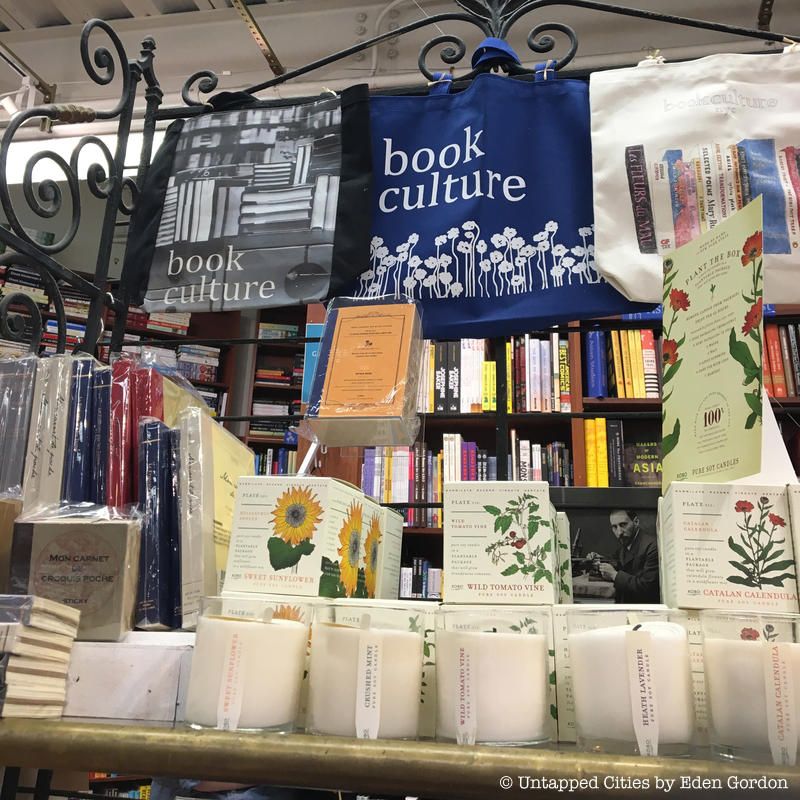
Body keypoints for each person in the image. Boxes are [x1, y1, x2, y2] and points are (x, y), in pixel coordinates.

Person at [594, 509, 660, 603]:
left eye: (623, 525)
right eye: (614, 527)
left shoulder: (652, 546)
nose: (619, 532)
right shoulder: (628, 542)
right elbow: (616, 560)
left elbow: (646, 587)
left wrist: (614, 575)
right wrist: (600, 559)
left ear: (636, 522)